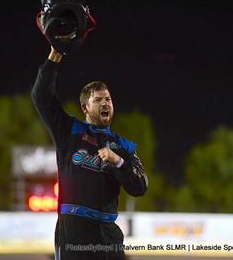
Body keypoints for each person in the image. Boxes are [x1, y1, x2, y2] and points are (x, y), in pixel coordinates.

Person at [31, 47, 148, 260]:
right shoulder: (68, 130)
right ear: (85, 108)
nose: (105, 103)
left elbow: (141, 186)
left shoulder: (124, 146)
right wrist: (55, 53)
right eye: (98, 100)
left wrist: (119, 162)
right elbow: (41, 96)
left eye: (108, 99)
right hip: (73, 230)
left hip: (108, 232)